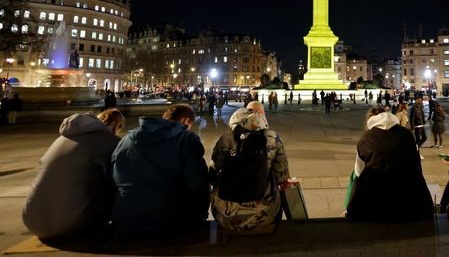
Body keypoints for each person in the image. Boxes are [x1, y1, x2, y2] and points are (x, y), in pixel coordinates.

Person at [22, 110, 124, 238]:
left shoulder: (62, 139)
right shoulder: (109, 141)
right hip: (72, 224)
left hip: (31, 220)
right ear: (117, 126)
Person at [111, 104, 209, 235]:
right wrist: (200, 215)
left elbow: (114, 177)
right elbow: (198, 184)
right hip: (170, 221)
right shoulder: (186, 139)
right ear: (186, 121)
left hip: (125, 219)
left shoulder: (127, 139)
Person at [210, 101, 290, 232]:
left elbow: (212, 173)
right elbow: (282, 178)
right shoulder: (272, 138)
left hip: (224, 216)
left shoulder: (225, 139)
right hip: (264, 216)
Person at [346, 107, 434, 221]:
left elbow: (358, 172)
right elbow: (416, 164)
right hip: (411, 199)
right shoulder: (406, 134)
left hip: (375, 202)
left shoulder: (366, 138)